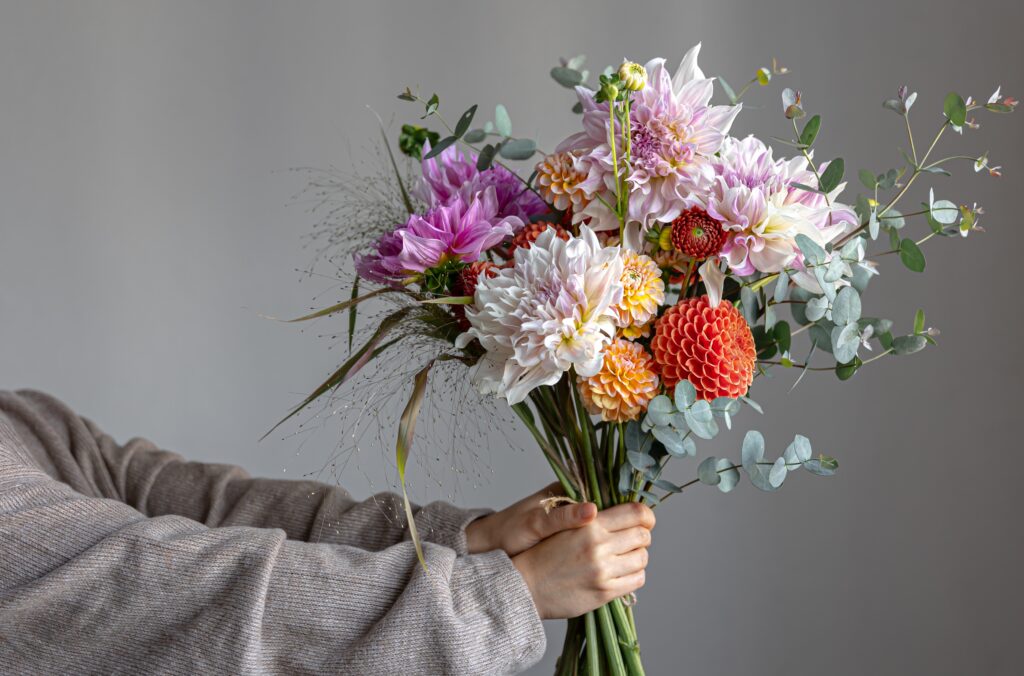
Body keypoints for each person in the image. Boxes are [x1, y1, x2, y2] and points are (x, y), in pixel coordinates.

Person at [0, 389, 654, 674]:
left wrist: (467, 538)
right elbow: (156, 581)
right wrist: (502, 594)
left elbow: (205, 502)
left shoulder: (22, 418)